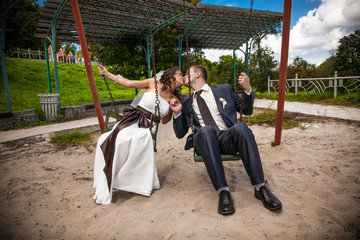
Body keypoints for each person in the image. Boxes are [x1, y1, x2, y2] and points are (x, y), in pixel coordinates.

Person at [169, 65, 282, 215]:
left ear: (197, 74)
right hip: (205, 142)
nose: (184, 76)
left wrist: (247, 89)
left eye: (187, 72)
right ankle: (223, 191)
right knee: (207, 130)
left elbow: (246, 110)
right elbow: (180, 133)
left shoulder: (224, 90)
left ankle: (260, 187)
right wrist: (177, 113)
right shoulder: (186, 104)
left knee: (240, 127)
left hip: (227, 139)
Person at [93, 65, 184, 205]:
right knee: (106, 138)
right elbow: (127, 83)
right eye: (179, 73)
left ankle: (126, 180)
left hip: (148, 127)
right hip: (132, 120)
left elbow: (165, 121)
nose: (182, 76)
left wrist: (173, 107)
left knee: (139, 138)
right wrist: (107, 73)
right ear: (171, 75)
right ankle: (113, 175)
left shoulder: (173, 97)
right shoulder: (153, 83)